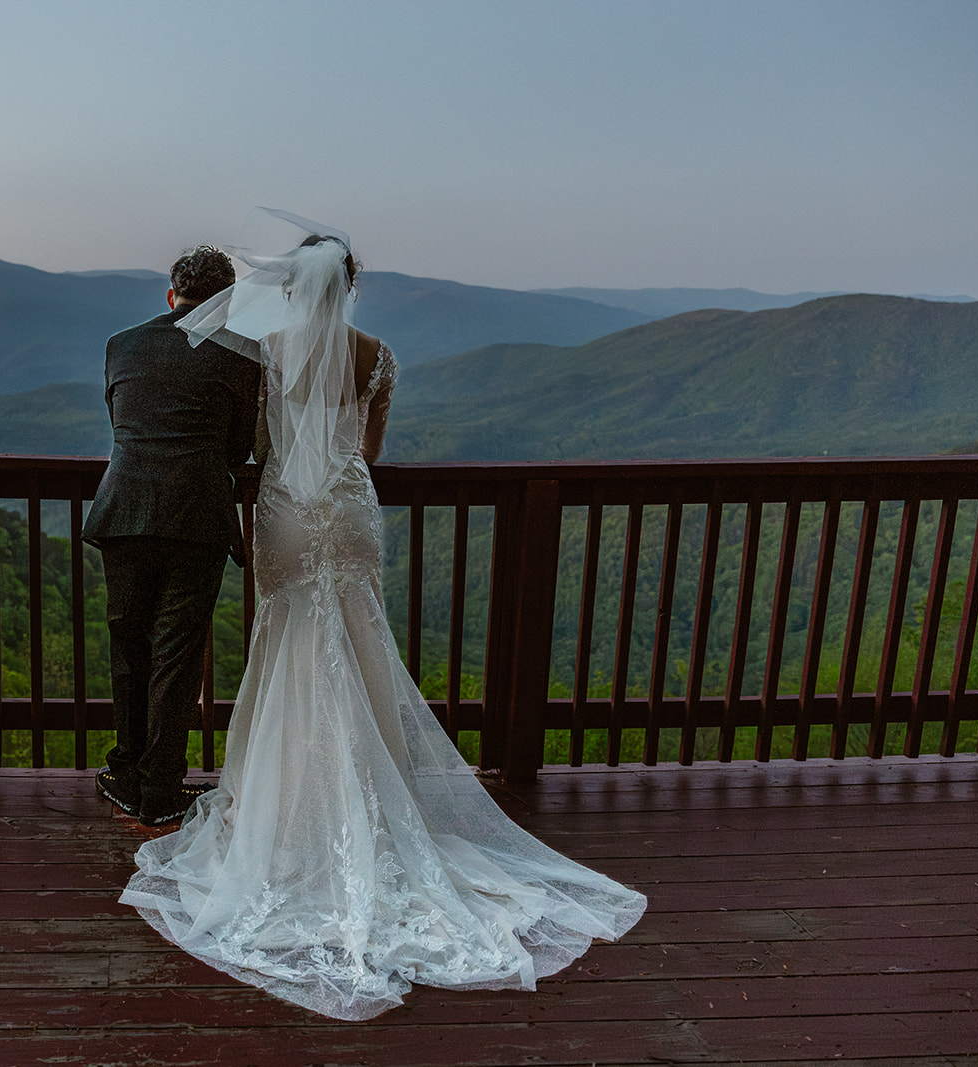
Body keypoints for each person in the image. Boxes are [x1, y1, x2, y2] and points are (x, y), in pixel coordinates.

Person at [119, 209, 647, 1020]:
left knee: (288, 638)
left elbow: (258, 446)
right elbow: (370, 453)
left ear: (295, 288)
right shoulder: (377, 359)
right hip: (345, 506)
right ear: (352, 287)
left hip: (287, 510)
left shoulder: (268, 356)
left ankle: (284, 803)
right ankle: (373, 797)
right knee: (357, 640)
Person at [82, 246, 262, 828]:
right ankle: (160, 788)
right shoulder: (241, 356)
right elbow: (239, 450)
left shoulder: (120, 344)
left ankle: (125, 772)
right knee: (176, 656)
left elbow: (123, 423)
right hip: (196, 516)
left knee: (128, 645)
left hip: (124, 510)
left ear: (171, 294)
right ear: (227, 303)